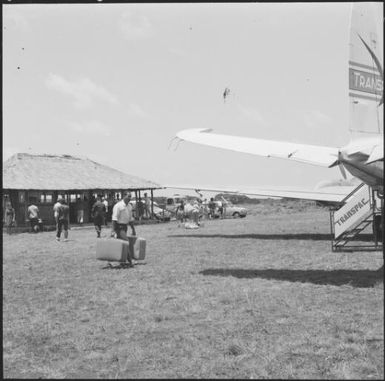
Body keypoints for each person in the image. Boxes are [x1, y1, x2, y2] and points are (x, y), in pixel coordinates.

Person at [111, 191, 136, 266]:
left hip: (125, 227)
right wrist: (113, 230)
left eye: (130, 196)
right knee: (126, 242)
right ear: (124, 196)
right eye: (128, 196)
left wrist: (133, 229)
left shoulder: (129, 206)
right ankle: (130, 261)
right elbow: (114, 219)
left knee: (121, 244)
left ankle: (119, 260)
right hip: (119, 227)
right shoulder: (118, 206)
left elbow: (130, 219)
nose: (129, 198)